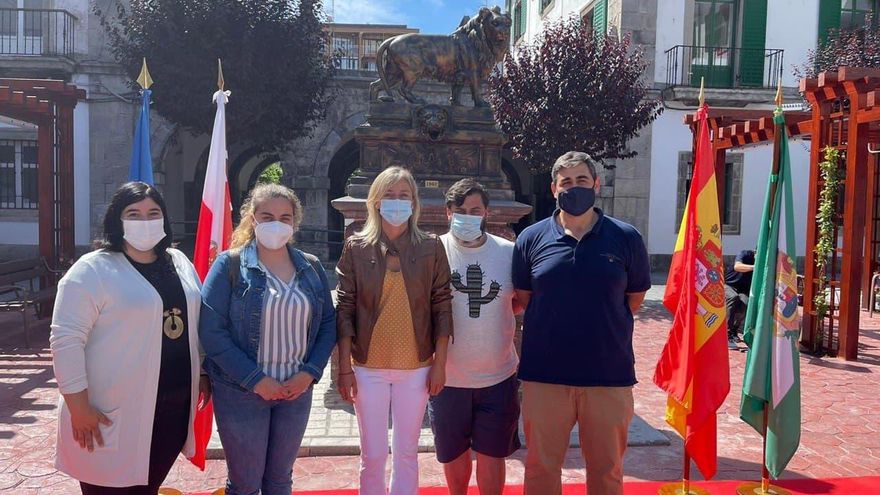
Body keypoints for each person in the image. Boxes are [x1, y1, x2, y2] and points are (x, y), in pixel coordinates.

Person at [50, 182, 209, 494]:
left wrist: (201, 370)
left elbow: (196, 319)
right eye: (133, 214)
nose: (145, 221)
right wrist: (78, 407)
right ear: (117, 221)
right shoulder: (93, 269)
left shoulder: (178, 262)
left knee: (147, 487)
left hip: (173, 407)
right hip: (110, 412)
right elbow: (65, 339)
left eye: (153, 213)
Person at [512, 151, 651, 495]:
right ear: (554, 188)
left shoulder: (626, 237)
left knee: (607, 472)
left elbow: (633, 299)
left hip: (608, 376)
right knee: (541, 470)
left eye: (582, 181)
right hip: (545, 376)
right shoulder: (530, 238)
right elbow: (526, 298)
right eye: (567, 182)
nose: (575, 188)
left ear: (597, 184)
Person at [199, 183, 337, 495]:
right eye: (267, 216)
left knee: (279, 480)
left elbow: (328, 323)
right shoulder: (230, 265)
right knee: (246, 483)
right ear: (252, 219)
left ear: (294, 223)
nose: (277, 223)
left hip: (294, 392)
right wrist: (255, 379)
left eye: (285, 217)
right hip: (241, 392)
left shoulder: (311, 267)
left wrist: (309, 373)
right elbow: (211, 330)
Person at [335, 166, 453, 495]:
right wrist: (344, 368)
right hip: (367, 368)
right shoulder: (356, 247)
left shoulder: (430, 247)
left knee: (406, 453)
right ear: (375, 201)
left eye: (404, 195)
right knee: (372, 455)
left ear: (414, 203)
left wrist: (439, 364)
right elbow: (344, 309)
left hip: (416, 368)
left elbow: (443, 305)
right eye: (389, 195)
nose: (396, 202)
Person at [429, 179, 521, 495]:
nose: (468, 217)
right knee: (453, 456)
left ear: (486, 213)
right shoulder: (432, 251)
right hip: (448, 378)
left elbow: (520, 301)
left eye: (475, 211)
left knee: (493, 455)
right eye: (461, 211)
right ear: (448, 213)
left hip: (498, 375)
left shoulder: (509, 252)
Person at [724, 248, 756, 349]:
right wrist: (755, 267)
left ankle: (734, 330)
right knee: (733, 297)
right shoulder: (745, 253)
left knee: (746, 304)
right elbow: (737, 266)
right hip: (728, 285)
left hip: (743, 290)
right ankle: (726, 333)